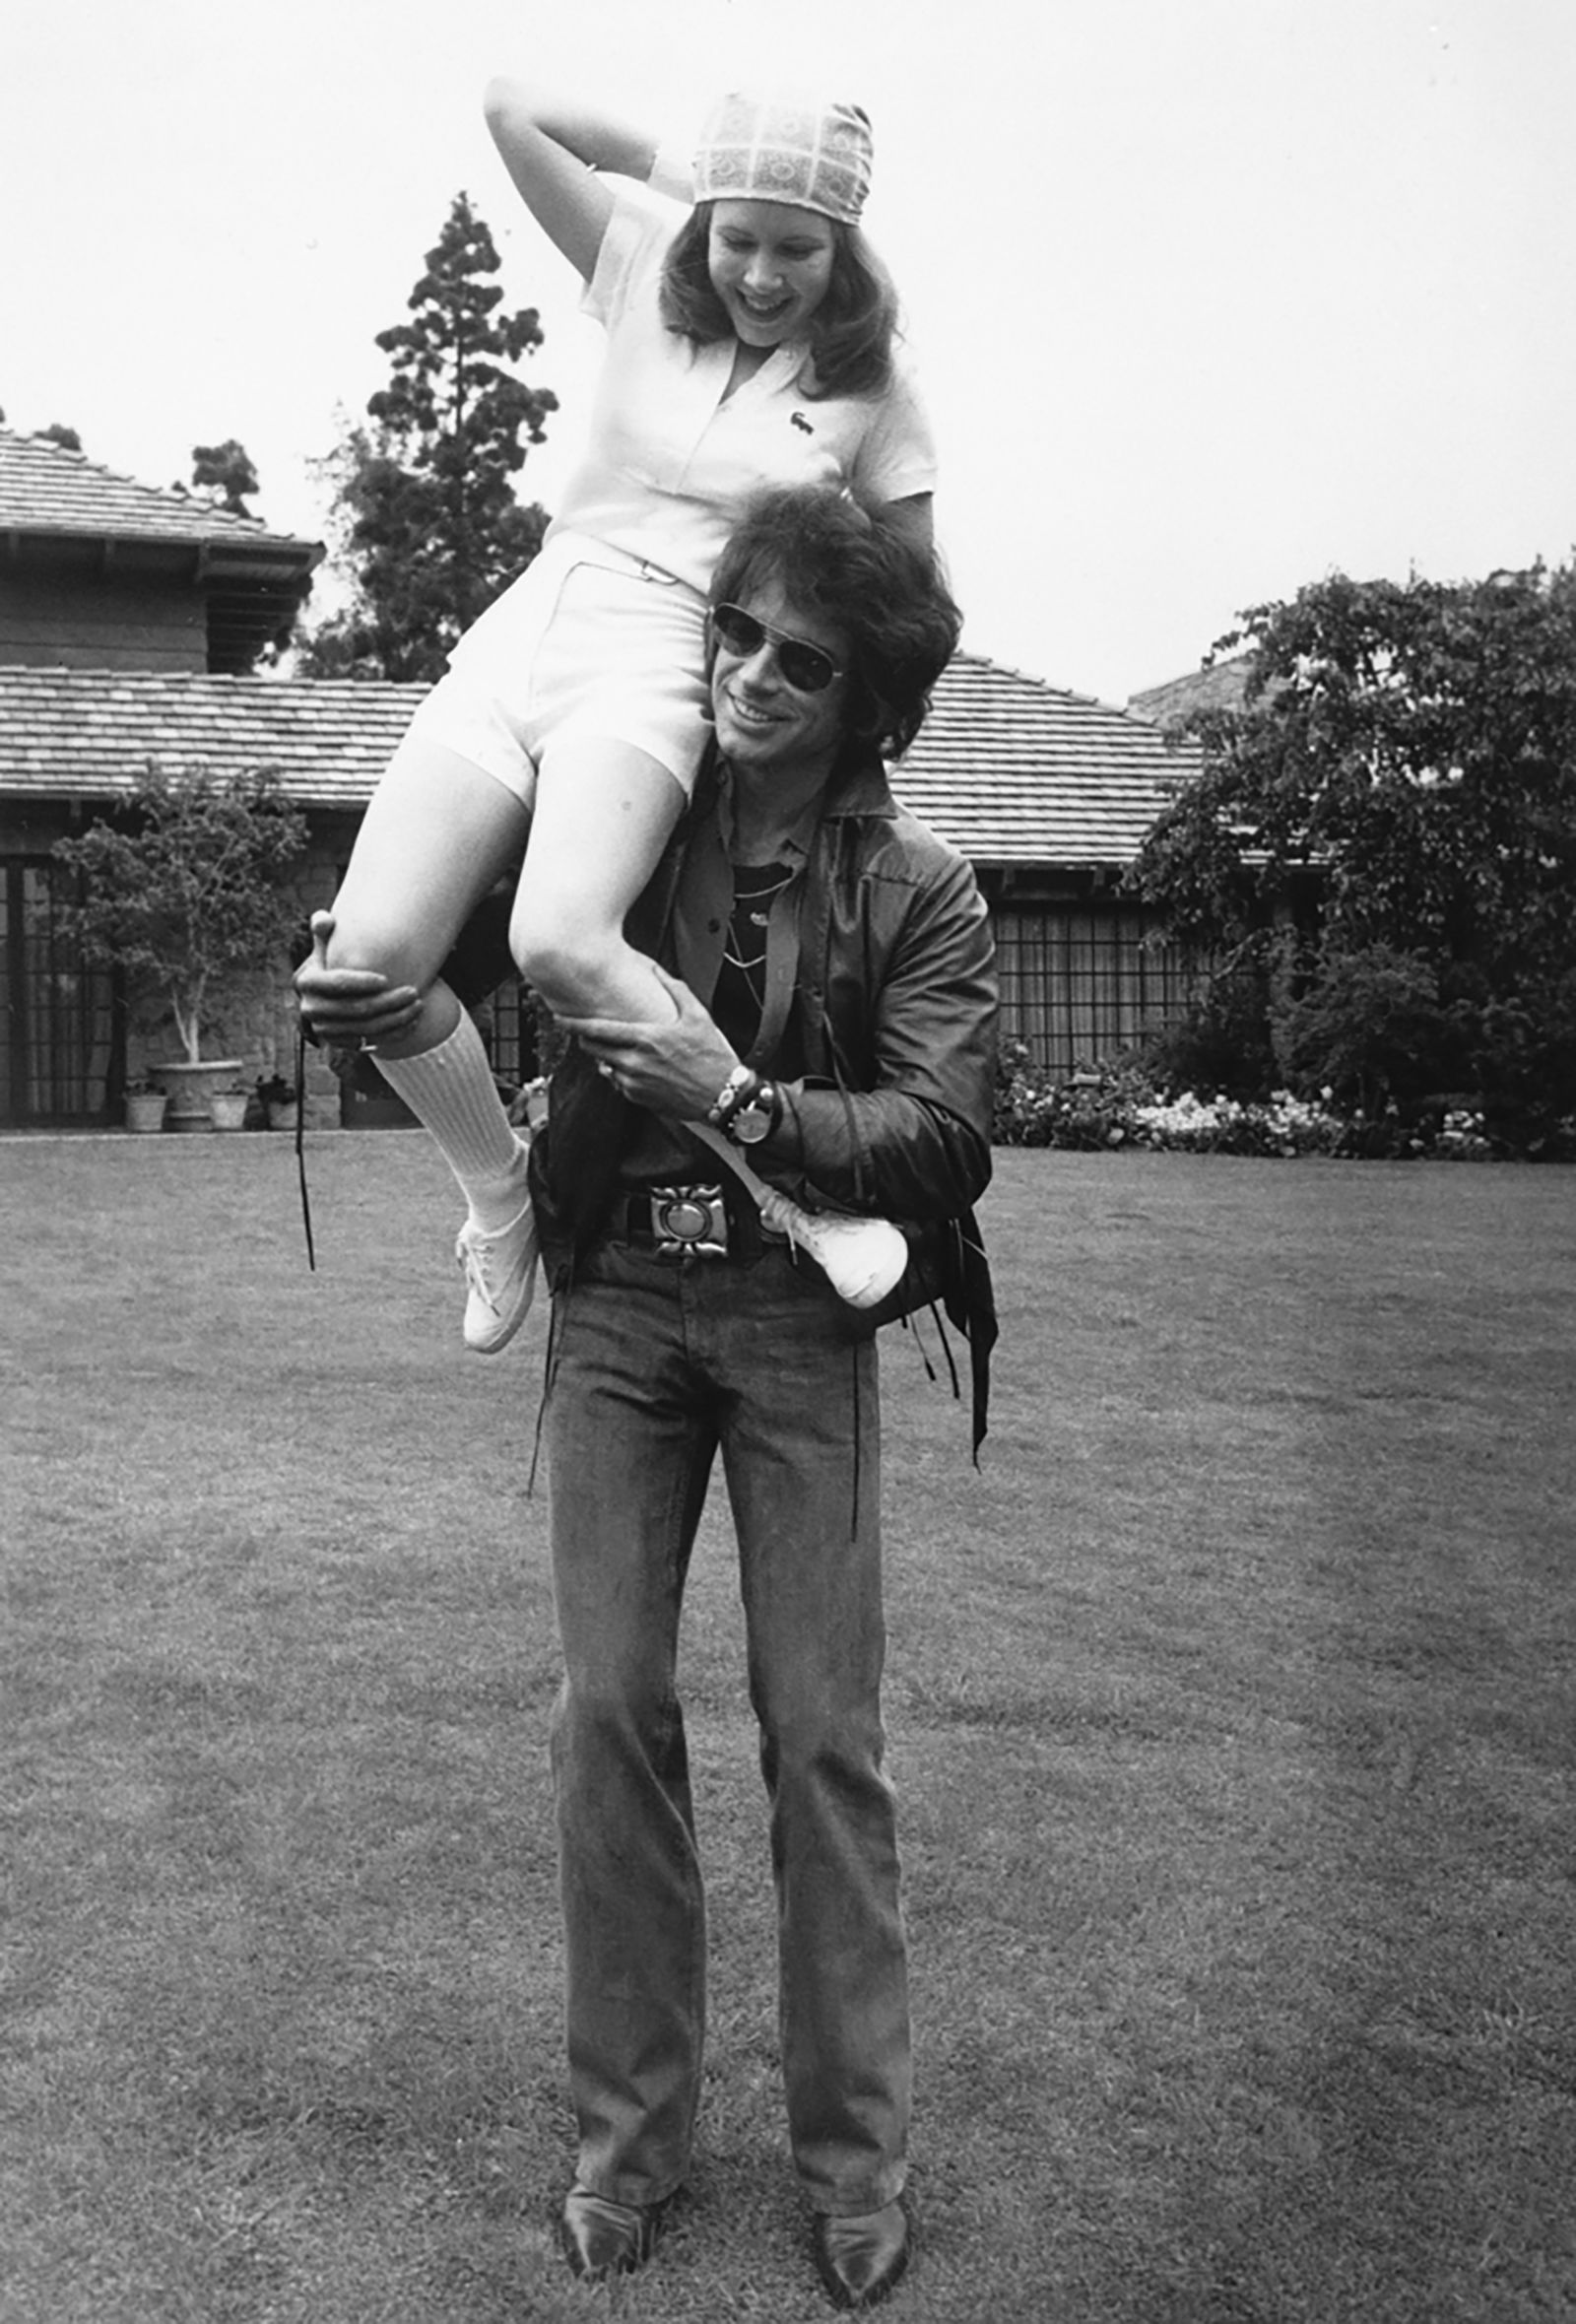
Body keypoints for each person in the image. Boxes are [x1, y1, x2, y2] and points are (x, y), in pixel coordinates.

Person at [297, 484, 997, 2310]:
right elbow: (441, 950)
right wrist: (356, 977)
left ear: (871, 701)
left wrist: (748, 1100)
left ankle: (858, 2168)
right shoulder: (616, 817)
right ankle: (631, 2147)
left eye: (807, 660)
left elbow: (946, 1137)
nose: (757, 676)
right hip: (613, 1307)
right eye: (740, 634)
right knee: (604, 1712)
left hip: (795, 1322)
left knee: (819, 1737)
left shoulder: (922, 889)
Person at [308, 74, 938, 1358]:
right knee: (367, 963)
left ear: (846, 251)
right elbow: (508, 110)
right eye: (743, 237)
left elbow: (913, 603)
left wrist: (831, 755)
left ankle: (797, 1196)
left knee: (558, 939)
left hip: (667, 653)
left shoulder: (879, 392)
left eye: (797, 246)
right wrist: (709, 177)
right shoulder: (656, 257)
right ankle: (502, 1203)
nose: (760, 273)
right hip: (541, 600)